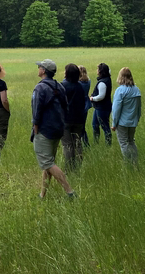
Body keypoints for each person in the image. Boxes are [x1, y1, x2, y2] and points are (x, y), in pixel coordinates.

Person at [32, 59, 75, 199]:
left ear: (43, 71)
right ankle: (42, 194)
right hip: (58, 129)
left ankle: (70, 192)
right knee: (48, 163)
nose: (38, 68)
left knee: (48, 163)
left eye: (40, 67)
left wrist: (35, 127)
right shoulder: (60, 86)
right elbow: (66, 107)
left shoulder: (40, 88)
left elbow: (36, 110)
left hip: (44, 130)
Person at [111, 67, 142, 165]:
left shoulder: (120, 91)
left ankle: (127, 163)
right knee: (131, 142)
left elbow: (116, 109)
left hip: (122, 122)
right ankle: (135, 162)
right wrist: (137, 119)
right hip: (133, 121)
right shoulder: (136, 90)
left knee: (124, 144)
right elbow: (139, 108)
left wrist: (114, 123)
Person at [61, 64, 87, 169]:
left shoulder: (62, 85)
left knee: (67, 145)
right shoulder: (80, 86)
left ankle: (70, 167)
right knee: (78, 143)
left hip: (66, 119)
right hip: (79, 119)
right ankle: (79, 165)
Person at [90, 63, 113, 146]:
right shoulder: (107, 79)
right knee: (94, 125)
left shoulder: (102, 83)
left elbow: (101, 96)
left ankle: (108, 144)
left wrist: (93, 98)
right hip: (100, 107)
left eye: (98, 69)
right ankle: (96, 143)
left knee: (105, 126)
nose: (97, 70)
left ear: (100, 71)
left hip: (102, 107)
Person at [79, 66, 92, 147]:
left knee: (80, 127)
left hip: (80, 104)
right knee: (82, 125)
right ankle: (86, 143)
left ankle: (85, 143)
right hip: (86, 103)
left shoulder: (79, 83)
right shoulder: (88, 81)